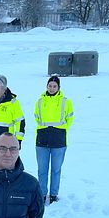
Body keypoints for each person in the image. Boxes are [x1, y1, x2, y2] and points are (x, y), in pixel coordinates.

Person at [35, 75, 74, 204]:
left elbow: (70, 119)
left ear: (59, 87)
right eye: (50, 86)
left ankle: (53, 195)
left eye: (54, 86)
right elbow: (37, 118)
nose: (52, 88)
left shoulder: (65, 101)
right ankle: (42, 194)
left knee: (56, 170)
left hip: (59, 139)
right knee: (42, 170)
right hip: (42, 138)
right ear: (46, 86)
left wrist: (60, 129)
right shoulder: (40, 101)